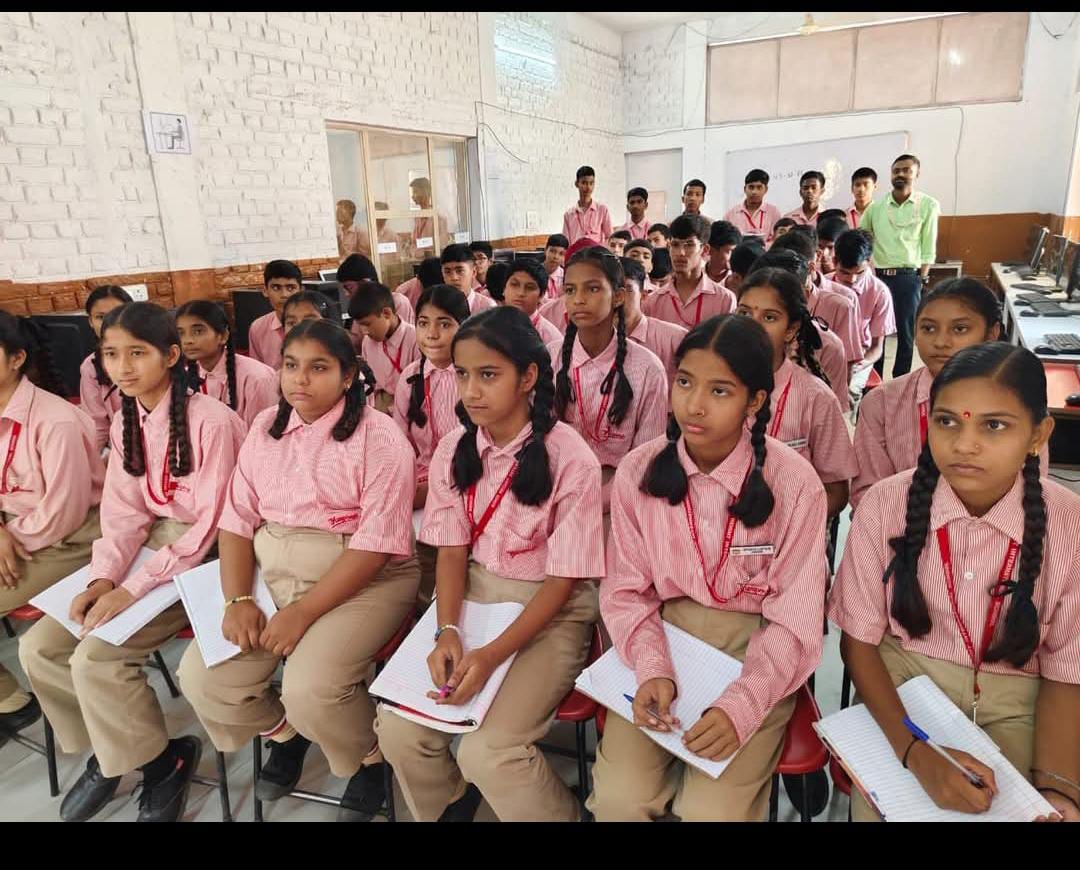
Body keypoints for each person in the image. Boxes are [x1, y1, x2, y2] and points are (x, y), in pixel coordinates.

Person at [831, 342, 1079, 822]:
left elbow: (1066, 674)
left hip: (1019, 701)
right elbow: (858, 644)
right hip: (902, 688)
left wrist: (1058, 789)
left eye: (994, 425)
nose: (964, 444)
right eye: (947, 422)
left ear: (1038, 434)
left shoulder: (1069, 526)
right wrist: (913, 751)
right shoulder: (885, 505)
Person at [858, 154, 941, 378]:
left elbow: (928, 245)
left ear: (917, 174)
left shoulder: (928, 205)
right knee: (878, 333)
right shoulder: (876, 208)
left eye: (906, 170)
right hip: (879, 278)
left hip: (909, 277)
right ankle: (874, 382)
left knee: (906, 334)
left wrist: (922, 278)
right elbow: (861, 239)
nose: (900, 175)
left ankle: (900, 381)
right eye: (896, 171)